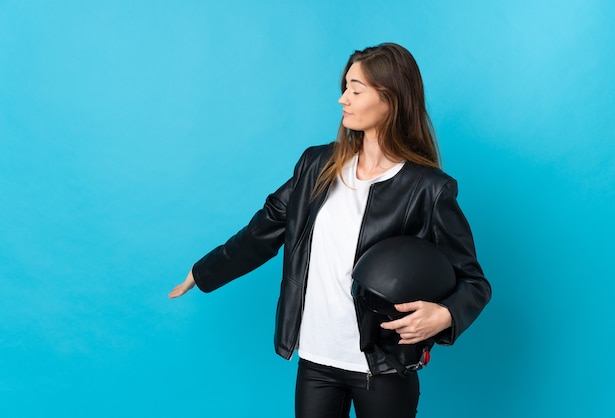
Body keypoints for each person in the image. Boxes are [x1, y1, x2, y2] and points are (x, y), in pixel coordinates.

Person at [169, 42, 491, 418]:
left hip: (383, 366)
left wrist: (446, 315)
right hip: (316, 361)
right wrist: (203, 271)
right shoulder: (315, 166)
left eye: (356, 89)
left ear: (391, 99)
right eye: (345, 87)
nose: (343, 99)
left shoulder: (429, 189)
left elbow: (474, 282)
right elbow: (263, 231)